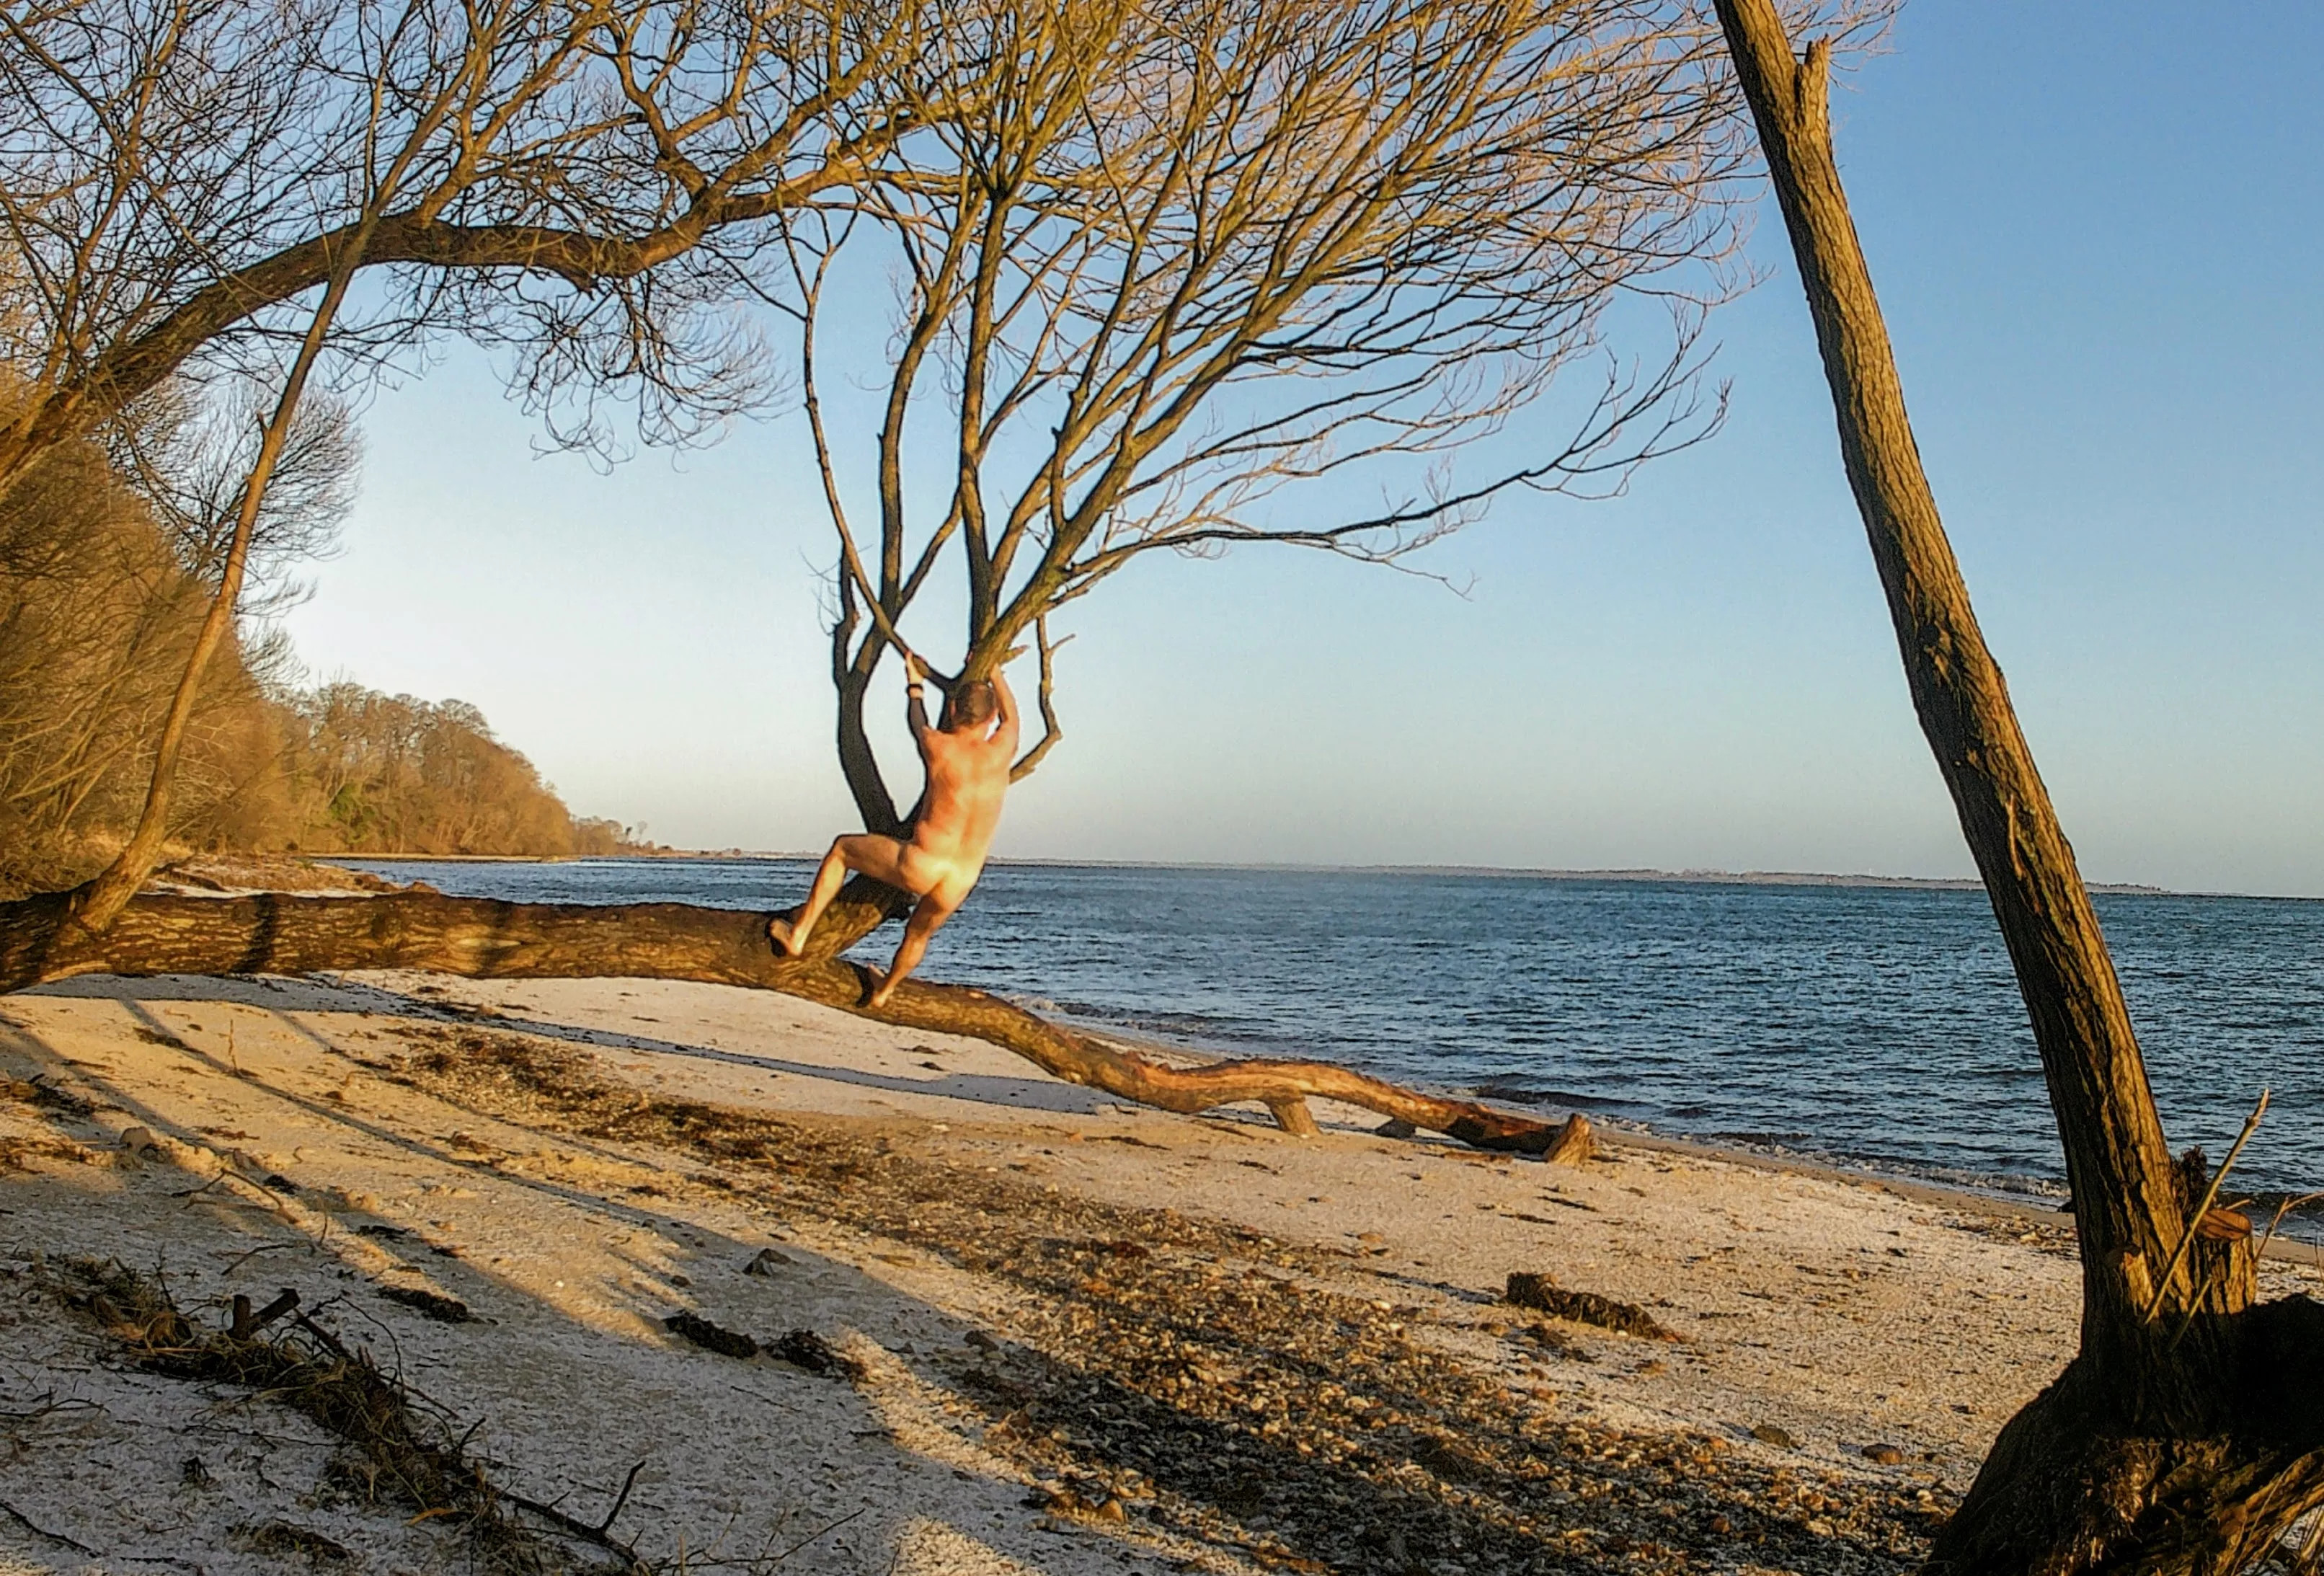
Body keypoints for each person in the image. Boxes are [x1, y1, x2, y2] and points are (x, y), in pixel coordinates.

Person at [769, 652, 1018, 1007]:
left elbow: (916, 721)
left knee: (842, 849)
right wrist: (993, 669)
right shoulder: (1003, 748)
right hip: (961, 879)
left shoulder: (940, 746)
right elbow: (1013, 715)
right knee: (918, 934)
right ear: (992, 718)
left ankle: (800, 934)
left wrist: (914, 683)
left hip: (922, 863)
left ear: (951, 713)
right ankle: (885, 991)